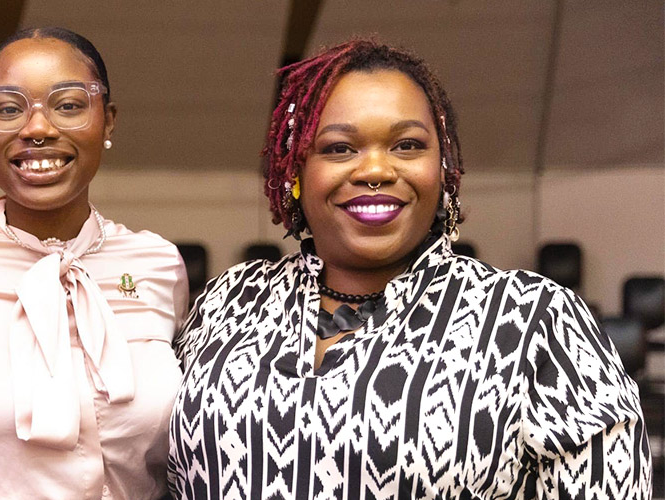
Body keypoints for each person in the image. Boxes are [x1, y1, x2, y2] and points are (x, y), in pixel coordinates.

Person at [168, 39, 650, 499]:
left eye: (407, 146)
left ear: (443, 170)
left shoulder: (533, 321)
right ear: (295, 173)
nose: (375, 170)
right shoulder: (227, 302)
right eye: (339, 148)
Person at [0, 27, 188, 499]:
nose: (37, 129)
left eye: (68, 105)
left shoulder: (157, 264)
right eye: (7, 109)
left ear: (108, 122)